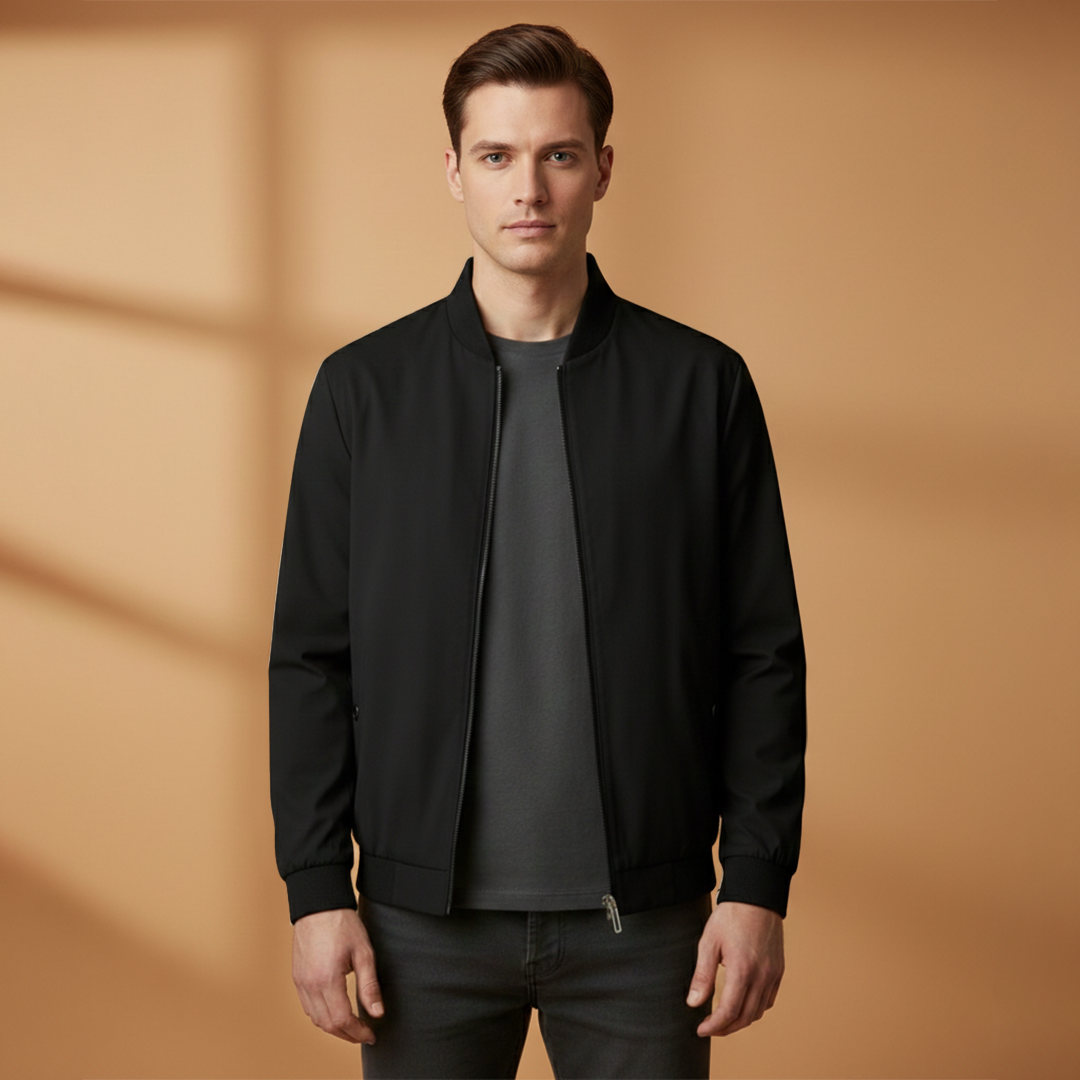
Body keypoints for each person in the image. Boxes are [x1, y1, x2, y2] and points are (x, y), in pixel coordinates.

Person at [269, 23, 806, 1080]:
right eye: (497, 155)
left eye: (558, 154)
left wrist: (755, 882)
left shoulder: (701, 388)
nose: (529, 189)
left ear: (602, 168)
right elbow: (311, 661)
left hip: (646, 931)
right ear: (454, 171)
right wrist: (317, 888)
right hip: (417, 931)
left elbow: (762, 654)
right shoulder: (362, 393)